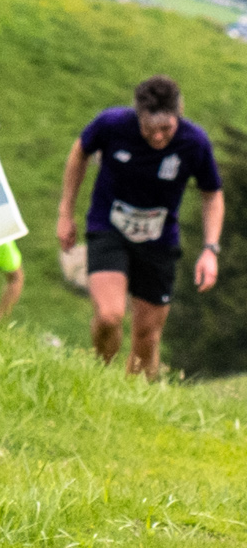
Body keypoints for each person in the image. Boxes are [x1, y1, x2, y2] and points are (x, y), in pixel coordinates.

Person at [58, 75, 224, 378]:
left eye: (166, 129)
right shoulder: (111, 125)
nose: (157, 137)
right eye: (149, 129)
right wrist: (65, 212)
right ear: (138, 116)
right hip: (108, 227)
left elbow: (212, 194)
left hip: (159, 242)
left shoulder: (194, 142)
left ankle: (131, 393)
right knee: (109, 316)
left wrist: (210, 249)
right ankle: (99, 378)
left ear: (179, 114)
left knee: (146, 337)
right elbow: (80, 151)